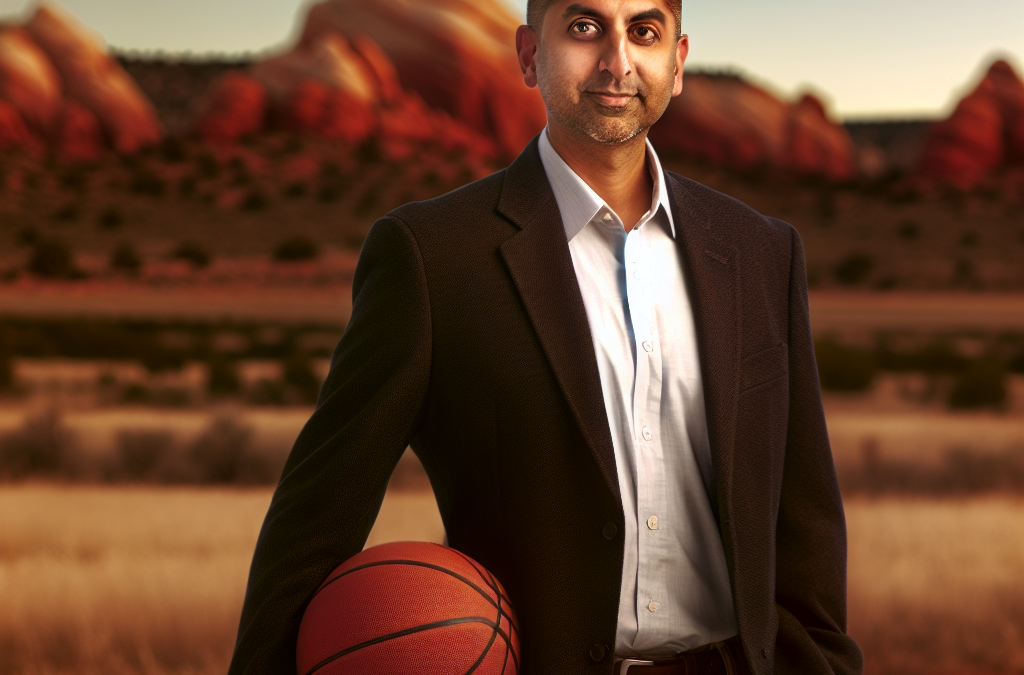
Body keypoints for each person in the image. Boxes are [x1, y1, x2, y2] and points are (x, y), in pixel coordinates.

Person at [228, 0, 863, 673]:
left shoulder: (760, 250)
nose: (617, 61)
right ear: (530, 55)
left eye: (644, 32)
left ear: (677, 63)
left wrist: (821, 659)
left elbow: (806, 513)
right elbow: (319, 513)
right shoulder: (434, 257)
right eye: (585, 28)